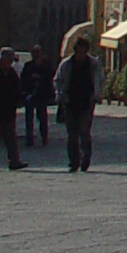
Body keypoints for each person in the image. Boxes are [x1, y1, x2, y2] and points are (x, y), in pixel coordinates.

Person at [56, 34, 103, 172]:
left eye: (84, 52)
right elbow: (58, 80)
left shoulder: (93, 64)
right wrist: (60, 95)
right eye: (79, 51)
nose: (81, 55)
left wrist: (97, 95)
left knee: (84, 132)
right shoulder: (66, 64)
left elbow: (99, 79)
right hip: (70, 101)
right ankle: (74, 161)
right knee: (71, 134)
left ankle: (85, 158)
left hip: (86, 101)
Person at [20, 44, 54, 151]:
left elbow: (49, 77)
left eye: (37, 52)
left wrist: (40, 78)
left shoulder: (45, 65)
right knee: (29, 118)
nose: (36, 54)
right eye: (34, 52)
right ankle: (29, 138)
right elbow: (23, 79)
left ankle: (44, 137)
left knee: (42, 117)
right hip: (30, 94)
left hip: (41, 95)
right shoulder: (28, 65)